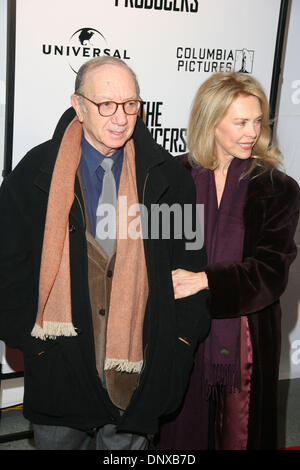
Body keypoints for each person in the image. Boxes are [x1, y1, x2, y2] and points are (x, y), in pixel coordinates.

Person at [0, 57, 210, 450]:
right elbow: (7, 269)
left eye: (130, 104)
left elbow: (190, 272)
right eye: (106, 104)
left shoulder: (166, 178)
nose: (120, 117)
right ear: (78, 106)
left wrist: (178, 347)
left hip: (138, 378)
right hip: (59, 373)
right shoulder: (34, 175)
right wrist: (32, 345)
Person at [155, 72, 300, 450]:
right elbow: (151, 253)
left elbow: (271, 272)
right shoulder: (172, 177)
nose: (252, 132)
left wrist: (207, 280)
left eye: (257, 121)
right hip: (179, 327)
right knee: (178, 429)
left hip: (245, 339)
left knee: (239, 435)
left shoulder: (277, 188)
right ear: (211, 121)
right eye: (240, 122)